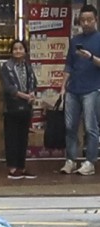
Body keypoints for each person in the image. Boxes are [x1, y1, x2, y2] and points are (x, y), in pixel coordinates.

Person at [60, 5, 100, 176]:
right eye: (83, 20)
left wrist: (90, 57)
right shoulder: (75, 40)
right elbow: (69, 65)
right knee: (70, 127)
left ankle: (90, 161)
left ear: (96, 20)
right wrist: (62, 87)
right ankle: (70, 160)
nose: (86, 23)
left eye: (89, 20)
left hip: (92, 89)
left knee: (91, 127)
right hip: (73, 89)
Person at [1, 40, 38, 180]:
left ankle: (21, 167)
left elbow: (33, 82)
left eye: (20, 48)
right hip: (11, 107)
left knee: (23, 138)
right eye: (15, 49)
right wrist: (24, 96)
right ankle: (12, 168)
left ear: (25, 51)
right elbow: (8, 88)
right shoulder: (6, 67)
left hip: (26, 108)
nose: (18, 51)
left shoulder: (28, 66)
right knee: (12, 138)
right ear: (11, 51)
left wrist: (32, 93)